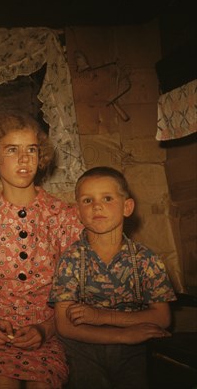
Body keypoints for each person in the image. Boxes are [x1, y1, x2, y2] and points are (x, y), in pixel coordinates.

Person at [0, 114, 83, 389]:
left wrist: (46, 329)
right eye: (12, 150)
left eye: (31, 150)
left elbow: (78, 289)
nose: (24, 159)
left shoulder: (63, 216)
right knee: (1, 383)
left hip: (51, 332)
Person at [50, 166, 176, 389]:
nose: (97, 205)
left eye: (107, 198)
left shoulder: (146, 259)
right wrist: (121, 335)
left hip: (134, 348)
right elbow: (64, 326)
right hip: (82, 347)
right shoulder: (70, 259)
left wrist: (102, 317)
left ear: (127, 207)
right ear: (77, 212)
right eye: (87, 200)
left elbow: (162, 318)